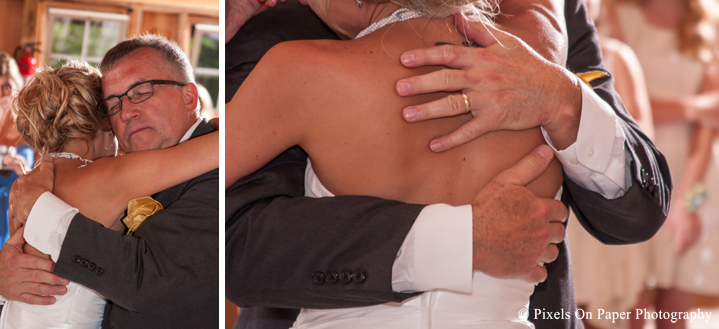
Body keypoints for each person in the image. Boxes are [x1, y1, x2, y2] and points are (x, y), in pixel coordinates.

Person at [225, 0, 670, 328]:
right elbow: (236, 243)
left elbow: (641, 209)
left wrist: (566, 101)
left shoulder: (556, 17)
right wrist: (462, 239)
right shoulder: (282, 27)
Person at [0, 35, 219, 329]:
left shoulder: (30, 185)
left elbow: (141, 278)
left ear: (189, 96)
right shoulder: (115, 173)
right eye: (114, 106)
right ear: (104, 124)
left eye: (141, 92)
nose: (127, 112)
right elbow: (221, 147)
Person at [602, 0, 719, 328]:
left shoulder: (710, 25)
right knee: (632, 302)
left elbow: (712, 121)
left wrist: (688, 201)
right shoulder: (617, 16)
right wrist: (692, 108)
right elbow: (618, 104)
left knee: (676, 307)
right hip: (638, 172)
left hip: (694, 176)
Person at [565, 0, 655, 327]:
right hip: (573, 205)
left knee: (630, 299)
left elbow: (642, 133)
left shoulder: (619, 57)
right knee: (580, 300)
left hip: (613, 184)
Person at [0, 53, 33, 247]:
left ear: (17, 87)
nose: (2, 95)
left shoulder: (31, 129)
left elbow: (46, 181)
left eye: (6, 86)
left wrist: (25, 173)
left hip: (17, 218)